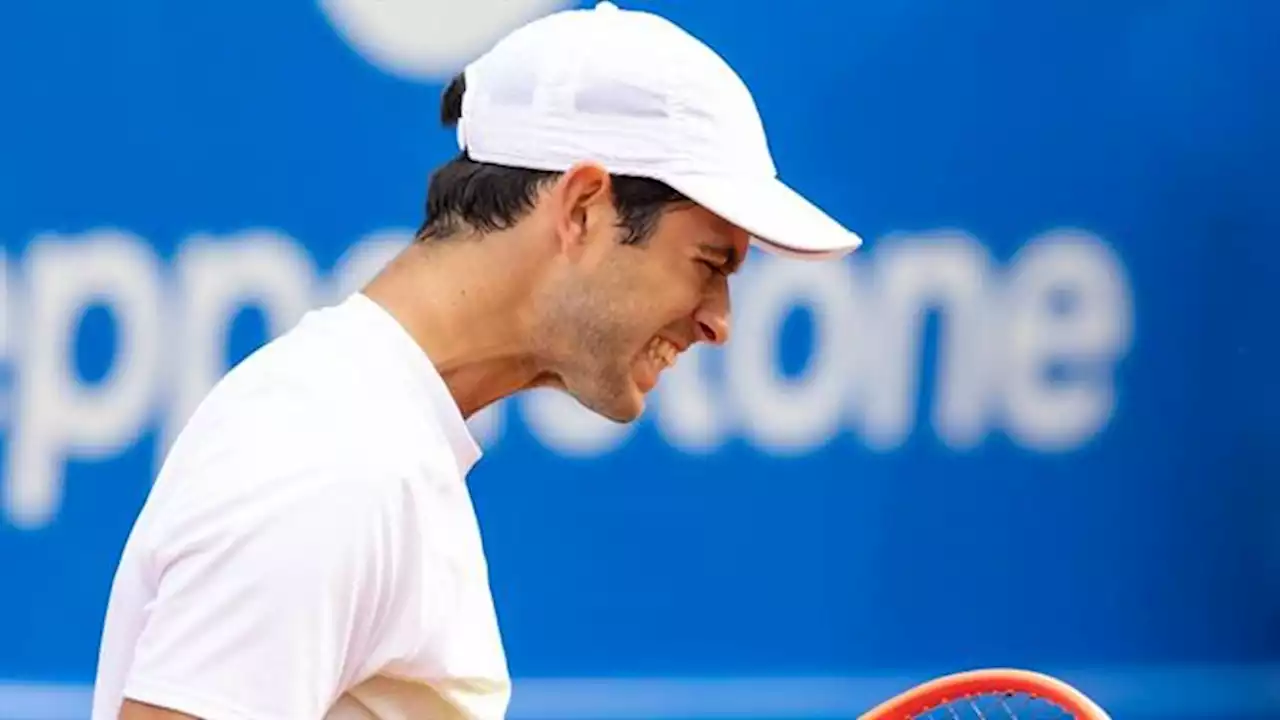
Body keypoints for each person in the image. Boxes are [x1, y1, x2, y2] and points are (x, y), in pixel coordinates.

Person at [90, 3, 862, 719]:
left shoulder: (373, 439)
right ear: (584, 207)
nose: (720, 322)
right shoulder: (333, 461)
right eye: (708, 263)